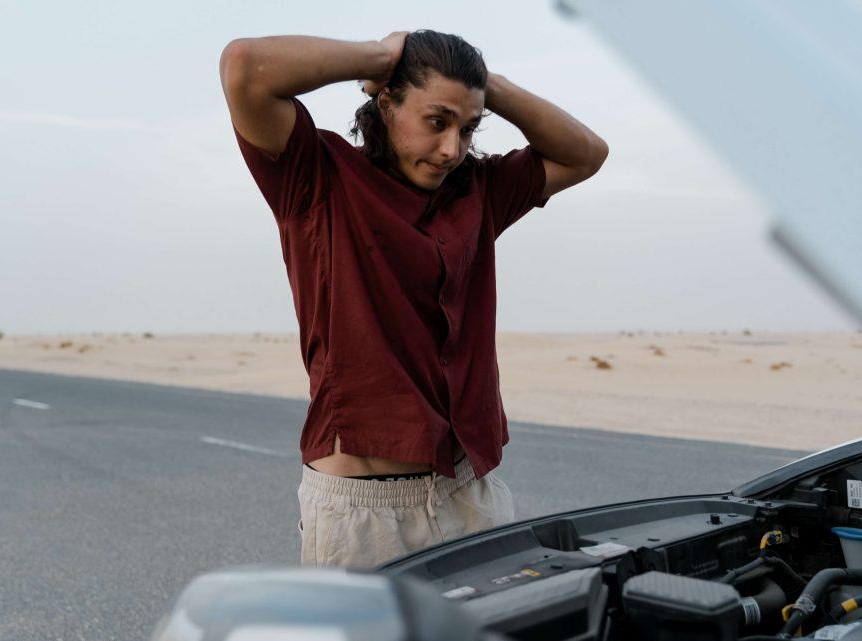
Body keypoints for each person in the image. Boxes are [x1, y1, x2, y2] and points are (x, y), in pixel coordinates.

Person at [219, 29, 607, 567]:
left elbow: (587, 153)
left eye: (468, 128)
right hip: (366, 517)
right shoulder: (316, 179)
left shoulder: (480, 191)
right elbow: (245, 67)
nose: (452, 148)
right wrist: (384, 57)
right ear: (386, 102)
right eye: (436, 120)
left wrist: (484, 86)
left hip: (471, 495)